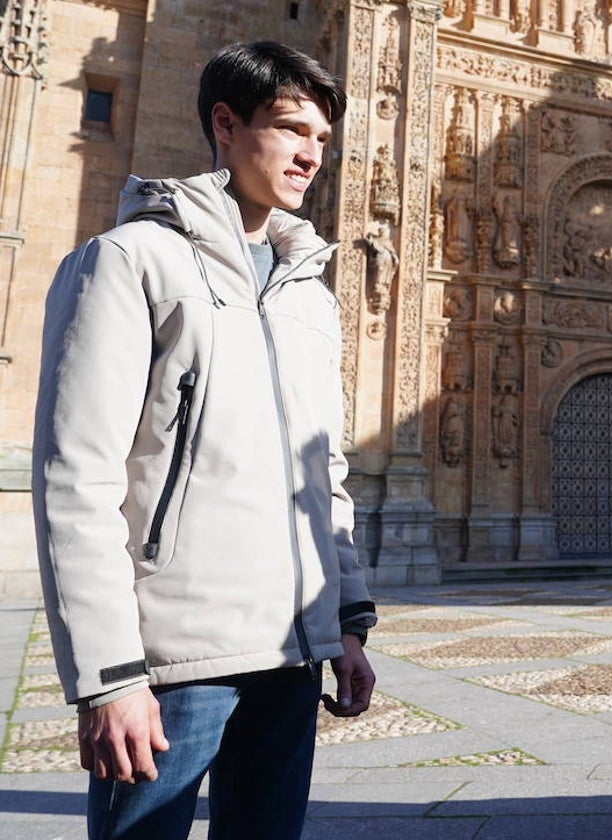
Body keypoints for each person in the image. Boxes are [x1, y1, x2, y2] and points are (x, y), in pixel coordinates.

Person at [32, 41, 377, 840]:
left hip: (290, 661)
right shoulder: (128, 261)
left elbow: (322, 471)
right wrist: (108, 676)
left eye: (322, 139)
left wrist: (347, 624)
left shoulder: (309, 296)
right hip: (172, 666)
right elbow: (75, 476)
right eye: (291, 129)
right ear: (225, 124)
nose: (309, 155)